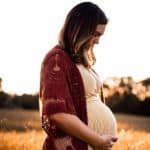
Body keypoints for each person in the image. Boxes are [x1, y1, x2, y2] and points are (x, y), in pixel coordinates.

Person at [39, 2, 118, 150]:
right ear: (80, 29)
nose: (98, 41)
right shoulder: (56, 59)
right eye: (96, 34)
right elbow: (57, 113)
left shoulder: (80, 60)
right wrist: (97, 140)